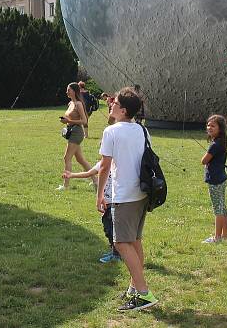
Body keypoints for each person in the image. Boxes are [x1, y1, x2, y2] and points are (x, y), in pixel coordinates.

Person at [97, 87, 158, 311]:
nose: (111, 104)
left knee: (121, 243)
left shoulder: (110, 132)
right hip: (142, 193)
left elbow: (104, 167)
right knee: (135, 241)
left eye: (114, 102)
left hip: (124, 194)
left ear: (123, 110)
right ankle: (135, 287)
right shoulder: (142, 130)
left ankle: (144, 294)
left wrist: (100, 195)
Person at [63, 160, 121, 263]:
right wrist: (71, 175)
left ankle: (117, 254)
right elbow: (88, 173)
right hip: (106, 203)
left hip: (117, 202)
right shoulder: (102, 163)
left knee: (113, 230)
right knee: (108, 228)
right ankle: (114, 251)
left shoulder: (119, 163)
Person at [57, 82, 92, 191]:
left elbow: (84, 121)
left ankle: (65, 186)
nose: (67, 91)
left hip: (77, 132)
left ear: (74, 91)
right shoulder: (70, 103)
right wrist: (66, 121)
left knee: (67, 158)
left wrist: (69, 121)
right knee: (80, 159)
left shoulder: (78, 104)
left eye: (69, 90)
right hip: (71, 131)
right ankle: (95, 180)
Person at [201, 114, 227, 244]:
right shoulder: (221, 142)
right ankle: (225, 235)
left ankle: (217, 237)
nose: (209, 127)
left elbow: (204, 160)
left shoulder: (215, 145)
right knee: (223, 207)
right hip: (222, 178)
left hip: (215, 180)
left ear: (220, 128)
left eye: (213, 125)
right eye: (208, 125)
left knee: (218, 209)